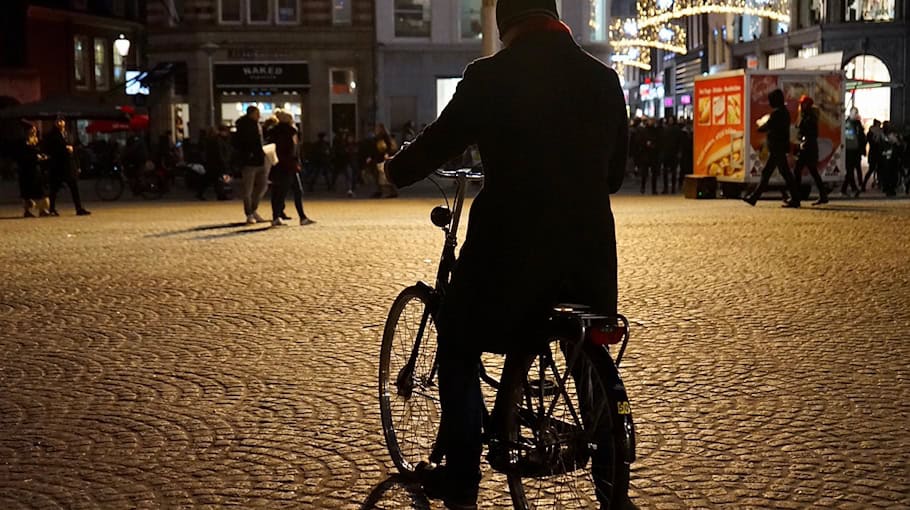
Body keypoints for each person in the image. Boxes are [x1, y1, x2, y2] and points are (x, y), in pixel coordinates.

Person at [385, 0, 627, 506]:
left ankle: (462, 479)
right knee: (585, 350)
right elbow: (615, 176)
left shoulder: (488, 76)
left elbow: (440, 142)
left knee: (456, 340)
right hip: (588, 251)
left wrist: (395, 170)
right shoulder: (603, 79)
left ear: (505, 23)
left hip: (511, 251)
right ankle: (609, 477)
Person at [744, 89, 799, 207]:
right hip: (779, 147)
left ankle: (755, 197)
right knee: (778, 173)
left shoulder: (777, 114)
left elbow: (765, 127)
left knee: (775, 173)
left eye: (771, 100)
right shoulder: (784, 112)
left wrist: (759, 124)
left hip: (777, 148)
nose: (769, 103)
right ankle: (755, 197)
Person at [267, 110, 314, 226]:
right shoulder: (291, 132)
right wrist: (296, 162)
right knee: (294, 191)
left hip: (279, 164)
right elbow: (293, 150)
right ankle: (297, 217)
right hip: (289, 165)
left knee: (279, 192)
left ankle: (280, 216)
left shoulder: (274, 132)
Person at [43, 117, 90, 216]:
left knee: (74, 187)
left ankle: (79, 208)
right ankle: (52, 209)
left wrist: (77, 165)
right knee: (54, 189)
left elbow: (75, 148)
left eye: (61, 121)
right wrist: (64, 149)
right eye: (57, 121)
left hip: (70, 164)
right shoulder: (51, 135)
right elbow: (50, 149)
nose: (60, 123)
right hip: (58, 165)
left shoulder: (68, 134)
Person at [790, 95, 829, 206]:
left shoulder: (808, 116)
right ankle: (823, 195)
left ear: (806, 105)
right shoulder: (810, 115)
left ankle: (796, 197)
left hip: (807, 147)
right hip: (810, 146)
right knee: (813, 171)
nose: (800, 105)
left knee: (798, 170)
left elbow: (803, 129)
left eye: (802, 103)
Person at [233, 106, 268, 224]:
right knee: (248, 190)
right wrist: (248, 154)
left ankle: (253, 210)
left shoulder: (257, 125)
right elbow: (240, 144)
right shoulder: (243, 126)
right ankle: (249, 213)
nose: (259, 115)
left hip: (260, 160)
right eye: (257, 113)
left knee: (263, 186)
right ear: (251, 114)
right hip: (249, 162)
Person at [17, 124, 50, 218]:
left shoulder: (37, 141)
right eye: (32, 130)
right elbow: (22, 156)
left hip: (36, 169)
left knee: (41, 190)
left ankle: (42, 209)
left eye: (35, 130)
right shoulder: (23, 142)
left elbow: (42, 151)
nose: (34, 131)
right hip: (26, 170)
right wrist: (34, 157)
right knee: (27, 191)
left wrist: (43, 156)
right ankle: (27, 210)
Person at [201, 126, 231, 200]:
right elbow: (220, 152)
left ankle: (221, 194)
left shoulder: (210, 140)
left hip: (213, 163)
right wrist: (224, 161)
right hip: (218, 163)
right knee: (220, 178)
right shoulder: (218, 140)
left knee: (214, 179)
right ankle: (221, 194)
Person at [843, 107, 866, 197]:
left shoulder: (857, 124)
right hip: (849, 150)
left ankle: (849, 189)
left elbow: (861, 137)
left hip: (856, 151)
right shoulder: (846, 124)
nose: (856, 114)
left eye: (857, 112)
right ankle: (853, 188)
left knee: (851, 170)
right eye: (854, 112)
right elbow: (849, 137)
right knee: (850, 170)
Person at [659, 116, 682, 193]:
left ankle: (673, 188)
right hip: (666, 152)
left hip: (673, 152)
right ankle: (666, 188)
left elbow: (679, 141)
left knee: (673, 172)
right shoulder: (665, 129)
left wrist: (679, 151)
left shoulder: (676, 129)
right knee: (665, 171)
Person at [639, 118, 660, 194]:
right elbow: (640, 141)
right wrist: (646, 144)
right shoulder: (644, 131)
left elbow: (659, 141)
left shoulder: (656, 131)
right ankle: (643, 187)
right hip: (646, 154)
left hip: (653, 155)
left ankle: (653, 189)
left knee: (653, 173)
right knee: (644, 173)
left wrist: (653, 145)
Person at [862, 119, 883, 192]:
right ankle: (880, 184)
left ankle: (864, 185)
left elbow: (866, 141)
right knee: (879, 169)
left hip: (872, 153)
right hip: (878, 153)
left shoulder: (870, 132)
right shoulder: (880, 132)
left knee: (871, 170)